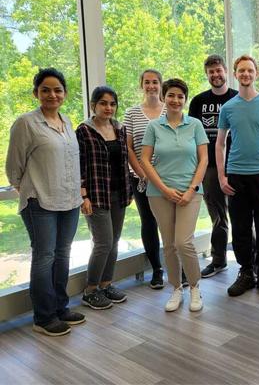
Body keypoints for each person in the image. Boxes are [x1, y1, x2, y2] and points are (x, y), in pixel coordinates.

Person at [6, 68, 85, 336]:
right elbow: (13, 167)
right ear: (36, 93)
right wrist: (26, 188)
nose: (53, 94)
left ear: (64, 93)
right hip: (40, 201)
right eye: (46, 90)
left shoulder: (67, 121)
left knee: (63, 255)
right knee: (44, 257)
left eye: (58, 90)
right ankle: (43, 317)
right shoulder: (26, 123)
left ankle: (61, 307)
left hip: (70, 200)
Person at [217, 55, 259, 298]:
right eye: (241, 71)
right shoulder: (228, 108)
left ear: (257, 74)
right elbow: (220, 143)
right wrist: (222, 177)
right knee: (241, 227)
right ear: (235, 74)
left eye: (250, 70)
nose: (246, 74)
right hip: (236, 176)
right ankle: (246, 272)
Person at [141, 78, 209, 312]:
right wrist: (164, 189)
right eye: (171, 95)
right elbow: (145, 160)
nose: (175, 100)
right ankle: (176, 288)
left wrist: (191, 190)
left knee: (183, 242)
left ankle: (194, 287)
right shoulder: (153, 127)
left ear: (185, 99)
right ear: (163, 97)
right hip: (160, 193)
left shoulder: (195, 125)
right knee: (169, 244)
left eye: (180, 96)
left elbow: (204, 160)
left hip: (190, 192)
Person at [77, 86, 132, 310]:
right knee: (103, 242)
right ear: (93, 106)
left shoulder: (119, 129)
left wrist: (129, 190)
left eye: (112, 104)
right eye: (103, 103)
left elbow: (125, 160)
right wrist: (83, 195)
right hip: (96, 195)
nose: (108, 108)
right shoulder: (83, 131)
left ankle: (106, 284)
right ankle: (90, 290)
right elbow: (77, 163)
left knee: (115, 241)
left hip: (118, 194)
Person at [188, 55, 238, 278]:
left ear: (226, 71)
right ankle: (219, 260)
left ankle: (249, 262)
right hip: (208, 166)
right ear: (206, 75)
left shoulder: (238, 98)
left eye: (219, 70)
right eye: (211, 72)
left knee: (241, 215)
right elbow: (192, 136)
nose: (216, 75)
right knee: (217, 216)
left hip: (237, 165)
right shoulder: (198, 101)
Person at [124, 69, 167, 289]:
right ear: (142, 85)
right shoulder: (131, 113)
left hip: (169, 178)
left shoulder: (171, 108)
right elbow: (129, 148)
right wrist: (143, 174)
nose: (151, 86)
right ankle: (157, 270)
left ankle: (178, 267)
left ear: (161, 84)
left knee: (171, 224)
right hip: (141, 179)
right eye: (147, 82)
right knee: (149, 223)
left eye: (155, 82)